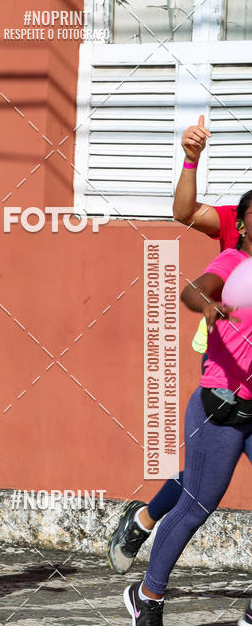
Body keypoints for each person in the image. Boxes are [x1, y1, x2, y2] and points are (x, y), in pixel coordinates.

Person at [108, 116, 248, 574]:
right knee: (209, 472)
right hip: (230, 371)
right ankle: (147, 534)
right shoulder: (239, 224)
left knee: (211, 470)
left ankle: (146, 519)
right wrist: (190, 158)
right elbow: (185, 214)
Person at [122, 197, 252, 626]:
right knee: (197, 504)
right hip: (222, 405)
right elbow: (194, 288)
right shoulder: (234, 261)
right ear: (244, 224)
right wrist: (207, 304)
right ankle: (148, 595)